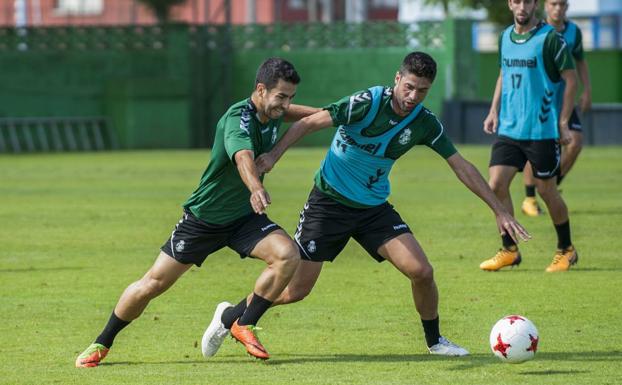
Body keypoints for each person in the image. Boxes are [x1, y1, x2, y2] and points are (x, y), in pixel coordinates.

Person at [202, 51, 530, 359]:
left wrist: (499, 210)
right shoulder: (368, 103)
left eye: (423, 90)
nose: (413, 96)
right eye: (409, 87)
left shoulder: (424, 122)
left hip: (373, 208)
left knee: (422, 271)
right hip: (327, 204)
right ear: (397, 78)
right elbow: (308, 122)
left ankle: (435, 341)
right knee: (296, 290)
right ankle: (230, 315)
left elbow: (460, 165)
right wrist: (273, 155)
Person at [75, 57, 320, 367]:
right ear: (260, 90)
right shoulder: (238, 120)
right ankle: (102, 342)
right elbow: (243, 157)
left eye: (291, 98)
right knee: (153, 284)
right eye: (281, 97)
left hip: (243, 218)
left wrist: (328, 115)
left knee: (287, 256)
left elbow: (295, 114)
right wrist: (256, 188)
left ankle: (242, 322)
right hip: (205, 219)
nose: (286, 105)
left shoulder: (273, 111)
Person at [480, 0, 579, 272]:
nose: (522, 6)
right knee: (496, 184)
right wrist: (493, 110)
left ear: (535, 4)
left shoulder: (550, 39)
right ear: (510, 4)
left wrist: (563, 121)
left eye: (527, 1)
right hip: (509, 129)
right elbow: (503, 72)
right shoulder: (504, 37)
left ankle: (566, 249)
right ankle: (509, 249)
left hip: (541, 131)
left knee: (546, 190)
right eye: (517, 1)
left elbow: (571, 79)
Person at [520, 0, 592, 217]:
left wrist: (587, 90)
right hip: (543, 100)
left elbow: (580, 61)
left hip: (566, 98)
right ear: (545, 6)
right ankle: (530, 197)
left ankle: (550, 186)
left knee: (575, 143)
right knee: (536, 148)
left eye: (562, 4)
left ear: (567, 7)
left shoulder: (573, 32)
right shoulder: (538, 31)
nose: (558, 8)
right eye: (553, 4)